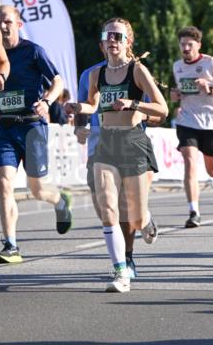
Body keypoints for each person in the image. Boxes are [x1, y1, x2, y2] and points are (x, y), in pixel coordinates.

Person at [64, 18, 167, 291]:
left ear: (128, 42)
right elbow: (92, 105)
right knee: (108, 207)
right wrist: (77, 108)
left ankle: (146, 220)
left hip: (133, 142)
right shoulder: (96, 74)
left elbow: (162, 108)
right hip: (107, 142)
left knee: (134, 215)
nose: (112, 40)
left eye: (118, 36)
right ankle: (121, 271)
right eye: (108, 35)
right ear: (102, 41)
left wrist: (133, 103)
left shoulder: (138, 70)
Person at [0, 5, 73, 264]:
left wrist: (48, 102)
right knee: (5, 183)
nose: (2, 27)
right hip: (5, 127)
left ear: (18, 24)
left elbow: (58, 81)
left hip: (32, 126)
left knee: (37, 189)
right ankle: (11, 246)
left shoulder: (33, 51)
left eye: (7, 22)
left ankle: (60, 201)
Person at [171, 26, 213, 228]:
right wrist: (175, 95)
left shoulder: (211, 63)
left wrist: (210, 88)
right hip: (187, 121)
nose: (186, 48)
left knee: (211, 169)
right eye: (182, 44)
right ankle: (194, 211)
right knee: (189, 162)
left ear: (198, 45)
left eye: (190, 44)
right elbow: (180, 92)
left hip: (211, 122)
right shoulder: (177, 66)